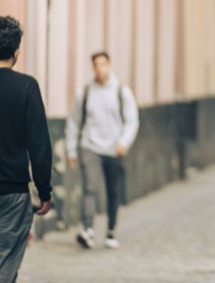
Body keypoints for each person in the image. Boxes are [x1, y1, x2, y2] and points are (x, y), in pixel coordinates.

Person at [66, 51, 139, 250]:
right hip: (90, 147)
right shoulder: (86, 92)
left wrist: (124, 142)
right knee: (90, 187)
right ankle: (88, 230)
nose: (100, 69)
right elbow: (73, 121)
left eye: (103, 64)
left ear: (109, 65)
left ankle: (111, 230)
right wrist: (71, 150)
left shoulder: (121, 91)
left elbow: (132, 120)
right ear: (92, 67)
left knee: (113, 190)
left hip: (114, 149)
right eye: (96, 65)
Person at [0, 16, 52, 282]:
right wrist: (45, 191)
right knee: (6, 259)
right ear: (17, 52)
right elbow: (39, 144)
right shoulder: (26, 87)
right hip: (12, 192)